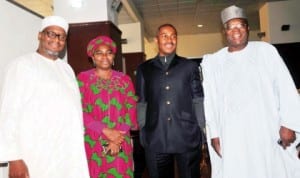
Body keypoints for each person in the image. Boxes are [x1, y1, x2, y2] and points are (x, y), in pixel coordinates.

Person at [202, 5, 300, 178]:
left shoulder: (266, 52)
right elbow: (211, 100)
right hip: (232, 134)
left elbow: (285, 87)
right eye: (231, 27)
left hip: (266, 130)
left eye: (240, 25)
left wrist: (289, 123)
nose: (236, 31)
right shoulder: (214, 62)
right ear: (224, 32)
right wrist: (215, 133)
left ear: (247, 28)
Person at [0, 16, 90, 178]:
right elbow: (9, 113)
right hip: (36, 154)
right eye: (51, 34)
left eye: (62, 37)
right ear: (40, 35)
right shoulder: (21, 65)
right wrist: (14, 158)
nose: (57, 40)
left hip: (68, 154)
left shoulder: (67, 69)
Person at [136, 24, 206, 178]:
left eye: (173, 36)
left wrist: (201, 129)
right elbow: (142, 102)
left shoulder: (189, 66)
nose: (170, 39)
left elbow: (198, 99)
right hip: (155, 135)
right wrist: (143, 129)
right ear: (156, 40)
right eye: (164, 35)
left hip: (186, 134)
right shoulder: (144, 69)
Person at [77, 35, 138, 178]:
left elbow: (131, 108)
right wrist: (105, 131)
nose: (104, 56)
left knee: (120, 172)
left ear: (113, 56)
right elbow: (78, 110)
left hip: (120, 139)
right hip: (94, 139)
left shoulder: (124, 79)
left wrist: (117, 137)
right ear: (92, 57)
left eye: (109, 52)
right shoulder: (83, 79)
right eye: (99, 52)